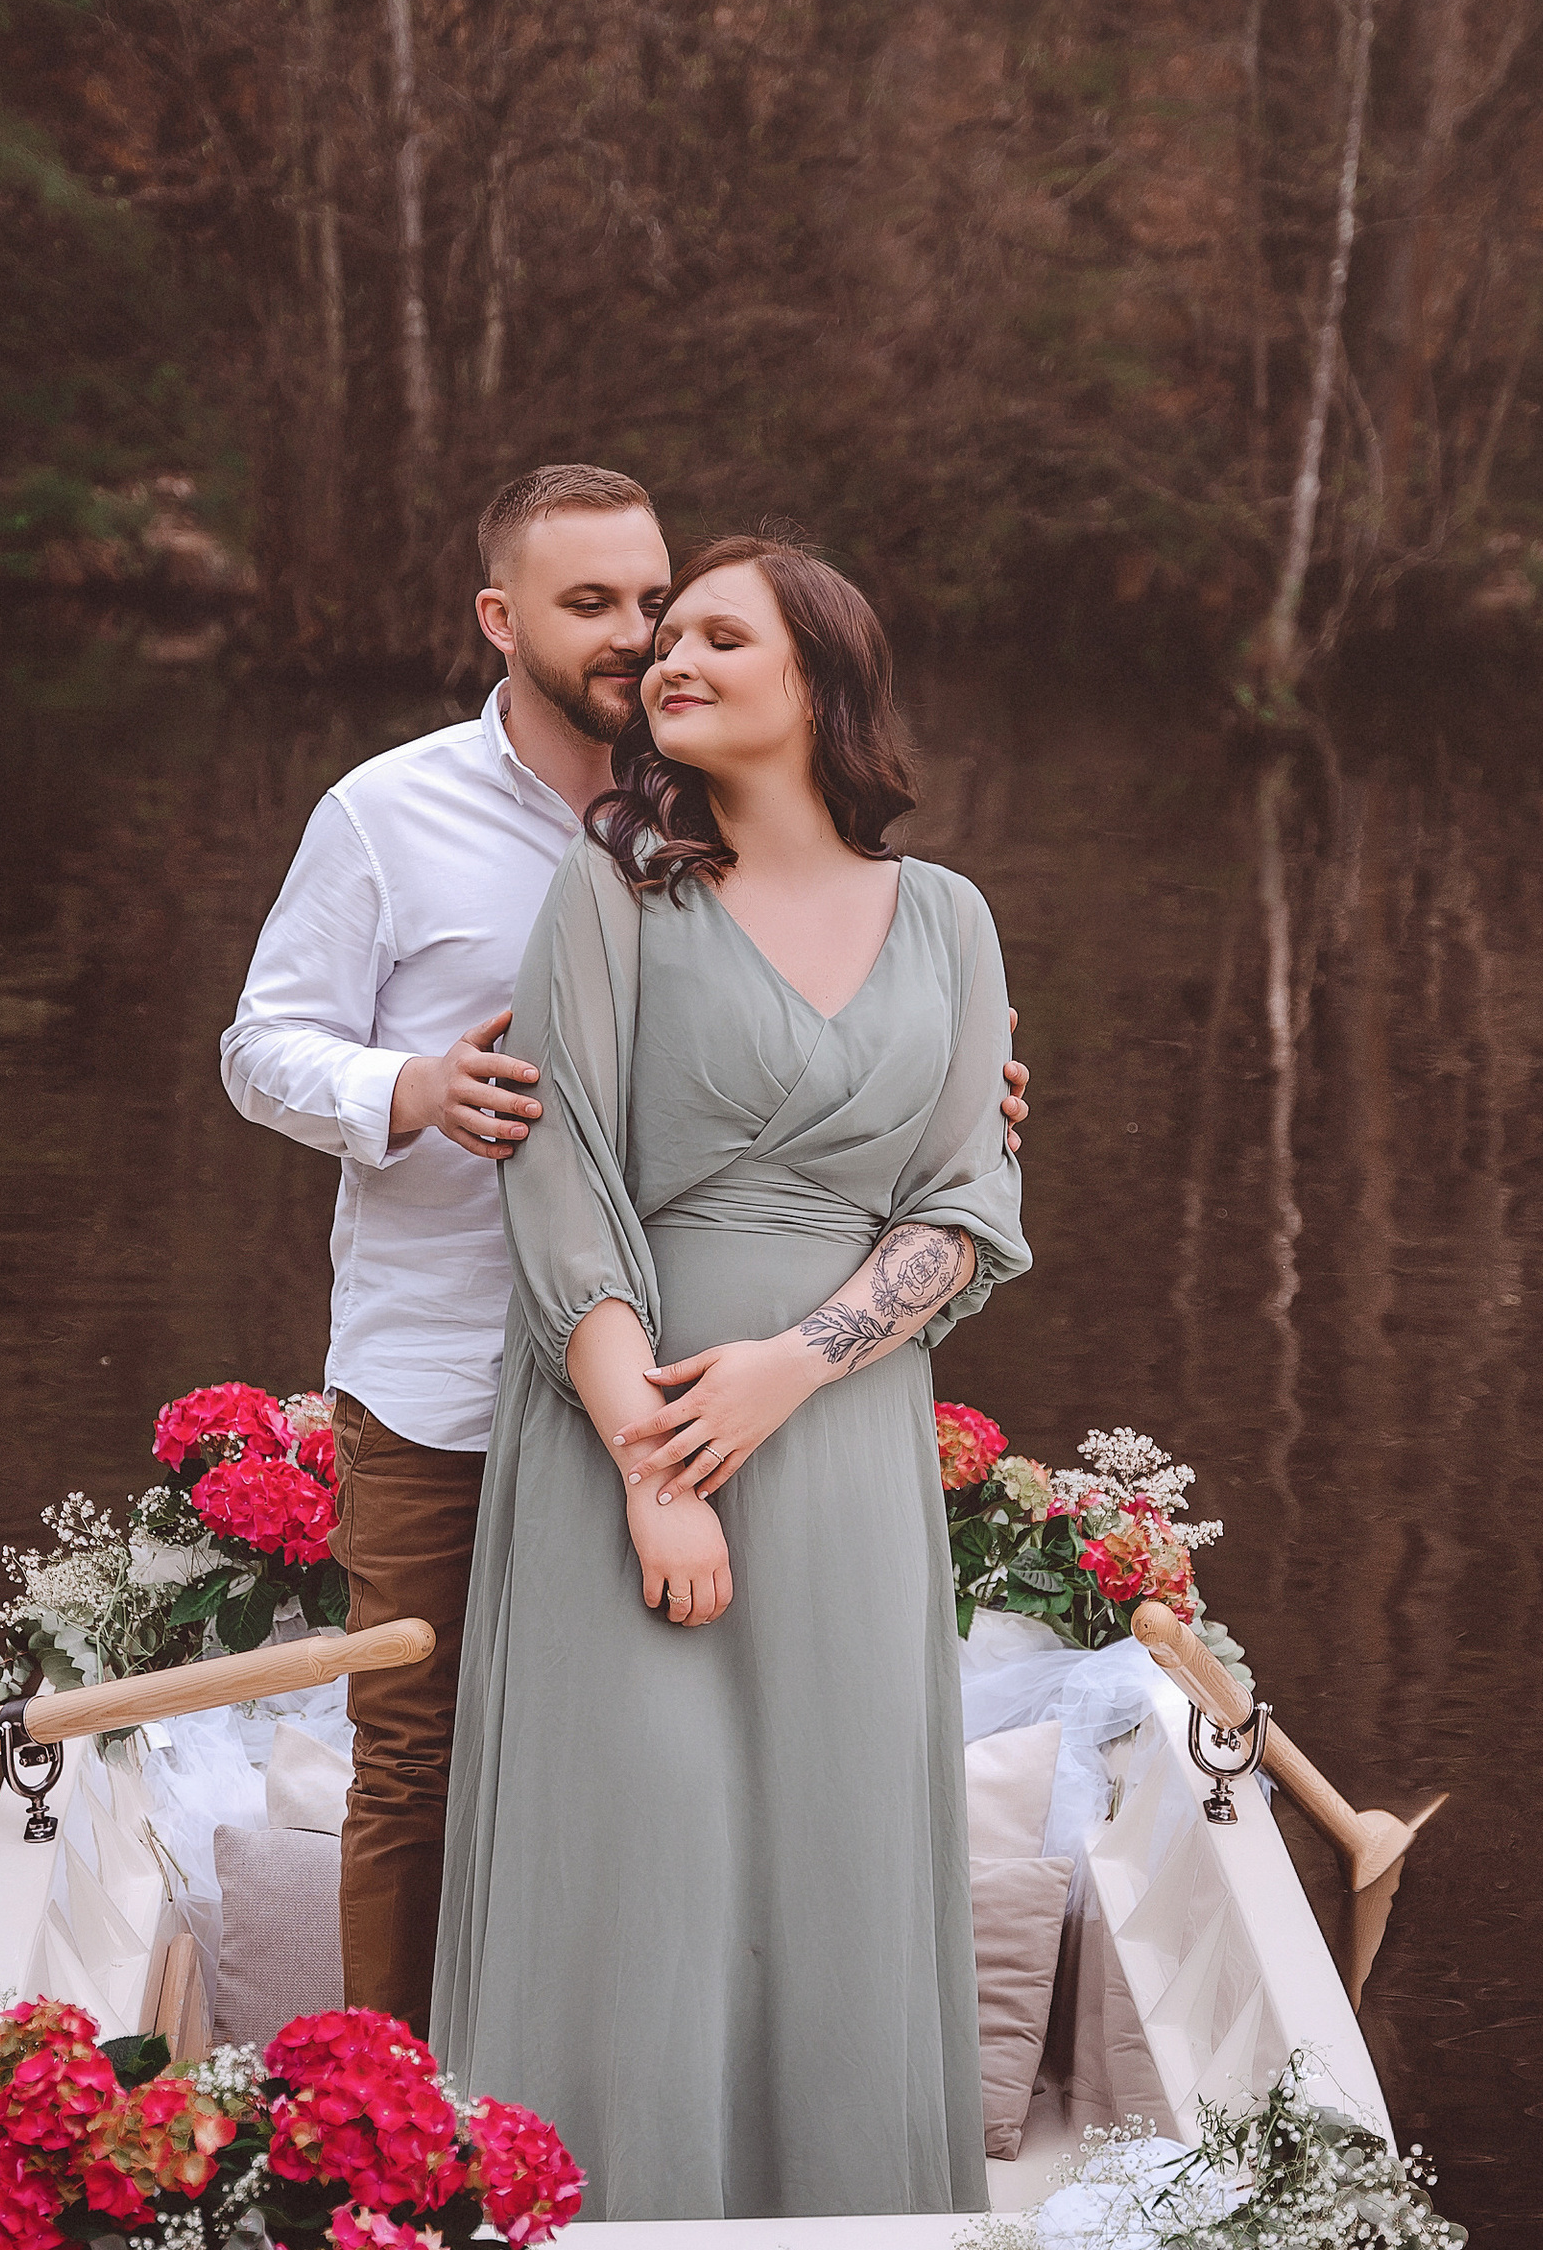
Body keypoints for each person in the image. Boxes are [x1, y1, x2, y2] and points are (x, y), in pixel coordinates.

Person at [222, 464, 1028, 2042]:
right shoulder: (388, 814)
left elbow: (849, 1022)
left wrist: (960, 1069)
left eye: (653, 600)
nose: (635, 634)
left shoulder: (702, 820)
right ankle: (399, 2128)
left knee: (712, 1773)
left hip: (716, 1378)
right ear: (498, 618)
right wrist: (411, 1088)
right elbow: (260, 1047)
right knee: (428, 1757)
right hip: (457, 1364)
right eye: (591, 605)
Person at [430, 540, 1029, 2220]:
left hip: (837, 1435)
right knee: (650, 1843)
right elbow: (556, 1182)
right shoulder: (615, 890)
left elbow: (968, 1208)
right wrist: (653, 1462)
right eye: (662, 634)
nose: (669, 659)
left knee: (833, 1832)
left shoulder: (952, 921)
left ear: (820, 684)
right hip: (630, 1419)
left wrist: (798, 1362)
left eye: (716, 636)